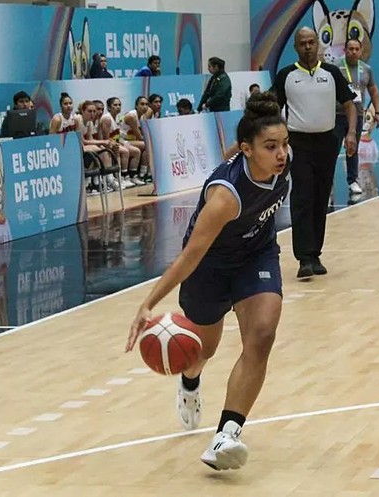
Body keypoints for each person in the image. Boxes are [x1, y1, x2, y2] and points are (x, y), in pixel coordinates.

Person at [125, 91, 291, 471]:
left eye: (284, 144)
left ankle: (226, 434)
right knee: (202, 351)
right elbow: (188, 258)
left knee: (262, 336)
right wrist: (148, 303)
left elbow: (249, 148)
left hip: (256, 255)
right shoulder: (224, 199)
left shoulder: (280, 160)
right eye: (271, 147)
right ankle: (190, 379)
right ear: (248, 149)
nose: (281, 154)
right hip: (209, 267)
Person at [271, 26, 357, 279]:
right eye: (302, 43)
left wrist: (351, 133)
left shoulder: (331, 73)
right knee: (302, 197)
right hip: (298, 143)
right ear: (296, 47)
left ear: (318, 44)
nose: (307, 47)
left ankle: (315, 254)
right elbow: (274, 109)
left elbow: (349, 104)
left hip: (327, 142)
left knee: (321, 198)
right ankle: (304, 258)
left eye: (311, 42)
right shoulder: (286, 75)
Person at [334, 37, 379, 195]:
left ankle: (353, 180)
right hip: (337, 114)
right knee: (332, 148)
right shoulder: (335, 67)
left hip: (358, 114)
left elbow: (373, 90)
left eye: (356, 49)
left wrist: (378, 112)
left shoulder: (366, 69)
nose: (354, 52)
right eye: (350, 49)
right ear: (345, 50)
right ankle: (328, 181)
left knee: (352, 148)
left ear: (361, 51)